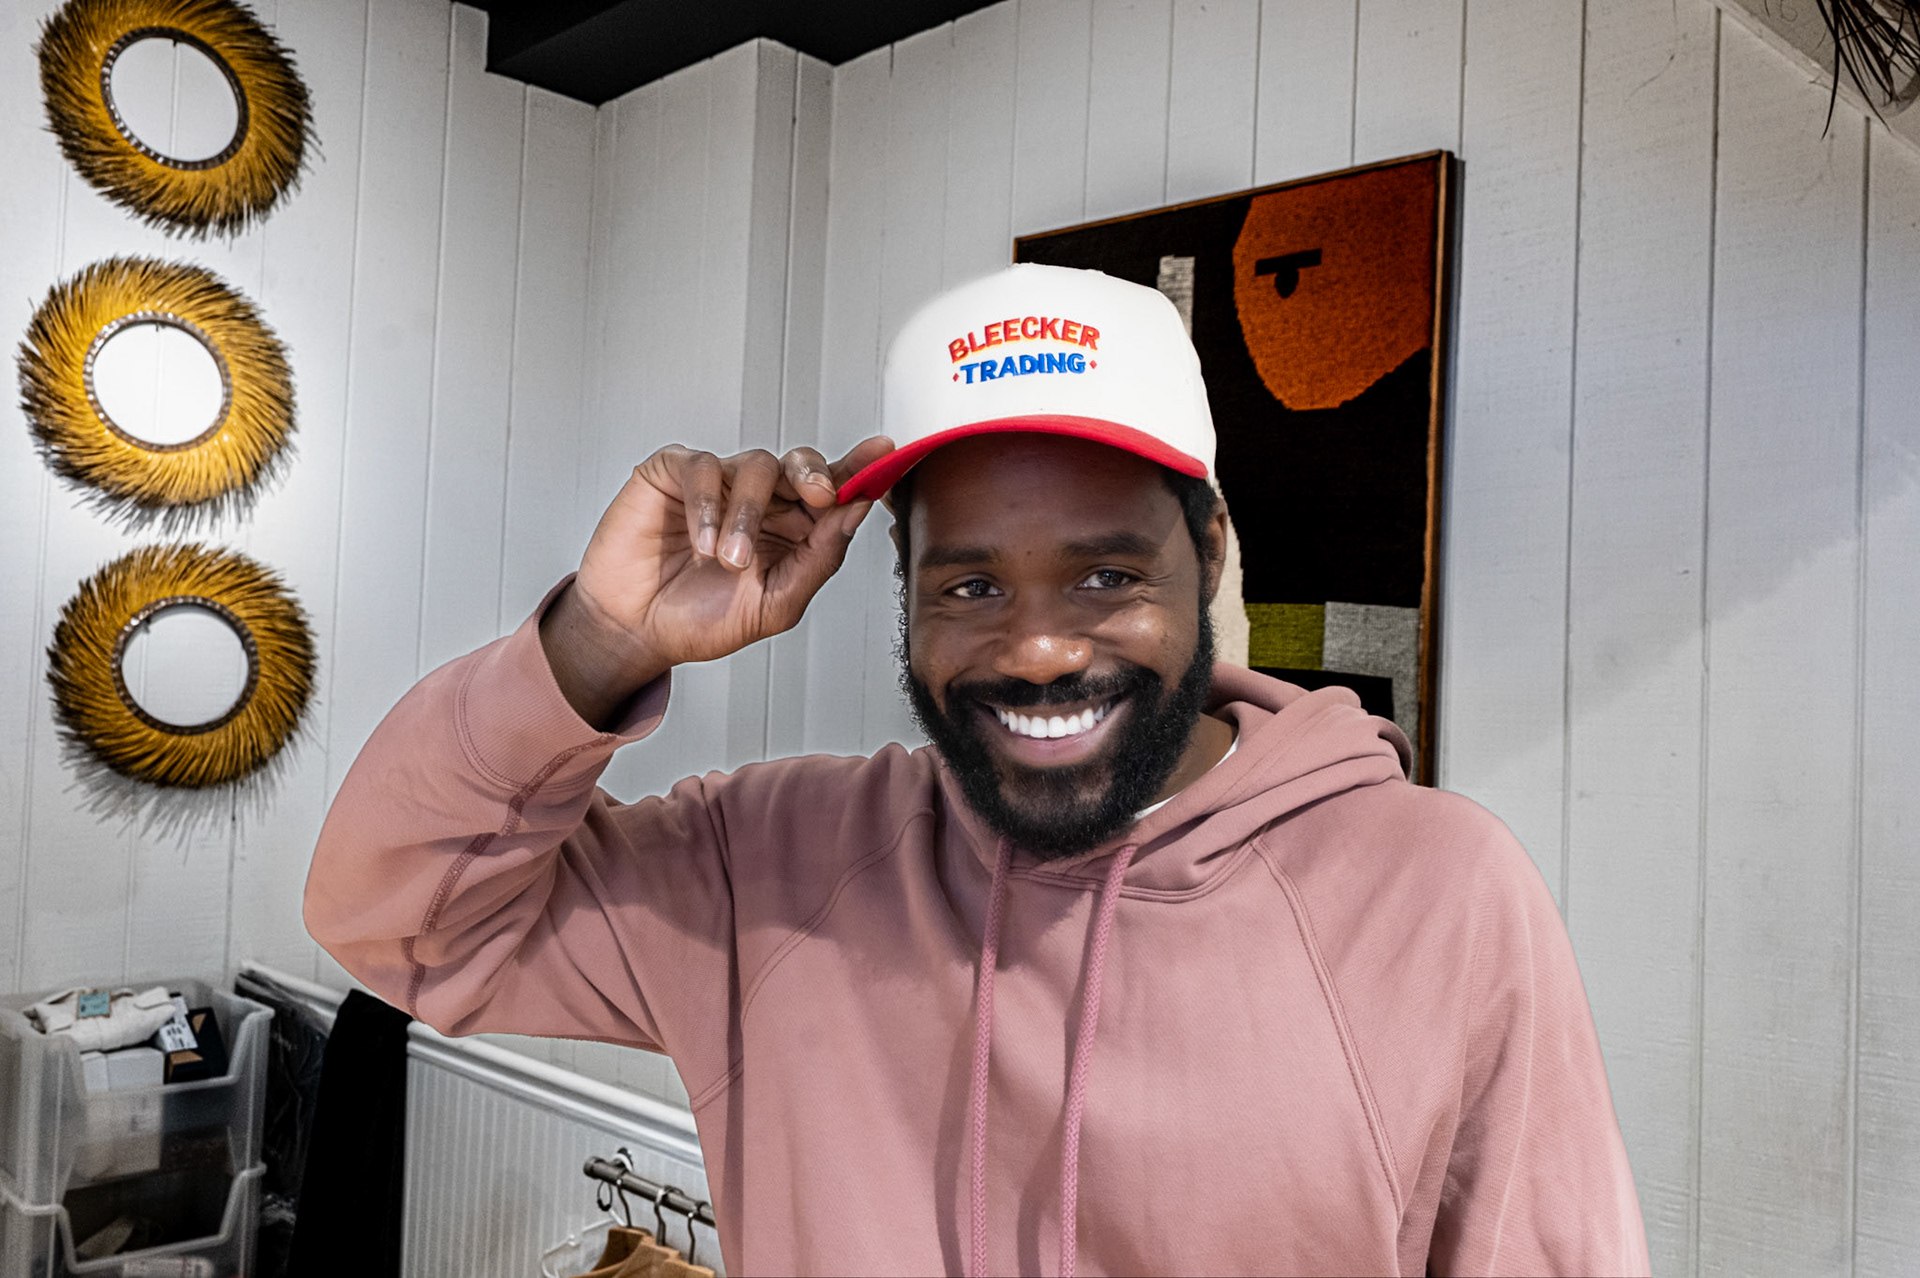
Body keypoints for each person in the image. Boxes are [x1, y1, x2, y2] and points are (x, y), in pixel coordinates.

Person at [304, 264, 1649, 1276]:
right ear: (901, 590)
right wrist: (601, 639)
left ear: (1210, 553)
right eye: (970, 585)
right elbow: (398, 919)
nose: (1040, 649)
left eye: (1107, 575)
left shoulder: (1436, 896)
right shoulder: (769, 868)